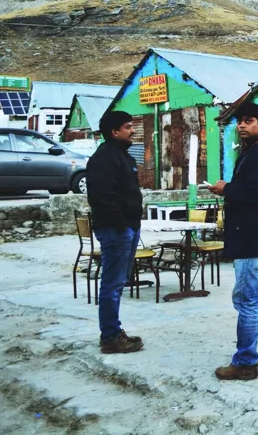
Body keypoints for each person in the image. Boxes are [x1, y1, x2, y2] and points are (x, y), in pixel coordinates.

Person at [208, 102, 258, 380]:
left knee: (247, 300)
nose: (242, 125)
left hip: (253, 236)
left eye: (248, 121)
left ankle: (245, 362)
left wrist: (226, 188)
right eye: (240, 121)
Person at [86, 110, 144, 354]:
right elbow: (102, 197)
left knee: (118, 282)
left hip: (127, 228)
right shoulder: (105, 158)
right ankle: (110, 336)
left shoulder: (122, 156)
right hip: (116, 230)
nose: (133, 131)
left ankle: (113, 332)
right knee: (112, 284)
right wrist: (121, 225)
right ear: (114, 131)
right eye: (128, 127)